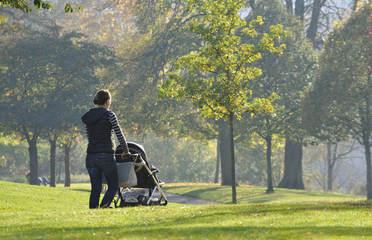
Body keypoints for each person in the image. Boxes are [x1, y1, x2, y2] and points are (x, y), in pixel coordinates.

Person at [81, 89, 130, 209]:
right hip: (106, 155)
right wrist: (125, 150)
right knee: (113, 186)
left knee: (96, 188)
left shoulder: (89, 116)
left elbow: (89, 135)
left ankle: (93, 212)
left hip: (91, 156)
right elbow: (119, 134)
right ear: (108, 101)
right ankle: (104, 207)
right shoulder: (109, 115)